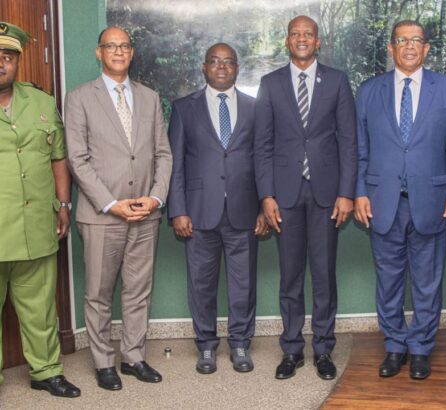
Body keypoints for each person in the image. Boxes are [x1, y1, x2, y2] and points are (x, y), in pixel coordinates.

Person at [65, 26, 172, 391]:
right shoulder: (79, 98)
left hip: (145, 213)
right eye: (111, 46)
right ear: (99, 52)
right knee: (98, 293)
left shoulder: (150, 98)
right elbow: (77, 159)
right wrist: (111, 204)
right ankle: (102, 362)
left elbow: (163, 154)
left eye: (124, 45)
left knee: (138, 291)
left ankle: (133, 357)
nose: (118, 51)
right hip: (101, 215)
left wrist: (155, 198)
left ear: (132, 52)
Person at [354, 20, 446, 380]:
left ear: (427, 48)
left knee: (428, 282)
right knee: (389, 281)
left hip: (433, 200)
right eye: (402, 40)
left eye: (417, 40)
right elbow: (360, 150)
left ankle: (420, 348)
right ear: (391, 48)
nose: (410, 46)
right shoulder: (369, 91)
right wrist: (359, 191)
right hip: (382, 201)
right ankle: (395, 345)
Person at [254, 15, 357, 380]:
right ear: (287, 41)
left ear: (318, 41)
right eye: (295, 34)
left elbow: (349, 141)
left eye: (308, 34)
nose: (302, 39)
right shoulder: (270, 83)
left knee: (324, 274)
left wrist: (346, 193)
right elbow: (262, 145)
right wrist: (266, 195)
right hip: (284, 195)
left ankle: (324, 349)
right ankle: (292, 349)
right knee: (290, 276)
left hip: (327, 193)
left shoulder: (337, 81)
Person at [167, 43, 268, 375]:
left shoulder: (255, 108)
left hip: (244, 210)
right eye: (215, 61)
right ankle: (206, 345)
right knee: (201, 284)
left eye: (228, 62)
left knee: (243, 284)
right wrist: (178, 210)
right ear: (204, 67)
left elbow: (263, 160)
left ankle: (240, 342)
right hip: (198, 213)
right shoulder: (184, 108)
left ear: (237, 68)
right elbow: (175, 164)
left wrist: (264, 206)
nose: (222, 67)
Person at [0, 21, 80, 398]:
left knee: (41, 307)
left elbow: (57, 158)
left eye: (8, 56)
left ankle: (46, 371)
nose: (1, 63)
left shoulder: (42, 102)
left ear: (18, 62)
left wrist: (63, 204)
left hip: (35, 224)